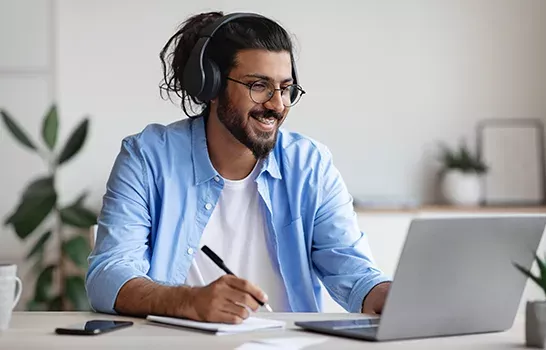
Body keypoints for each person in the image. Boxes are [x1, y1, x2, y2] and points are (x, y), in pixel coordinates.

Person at [86, 10, 391, 324]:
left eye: (285, 89)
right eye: (259, 86)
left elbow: (353, 270)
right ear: (211, 86)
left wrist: (385, 293)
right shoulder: (147, 157)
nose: (277, 104)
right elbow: (108, 277)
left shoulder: (310, 164)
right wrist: (188, 301)